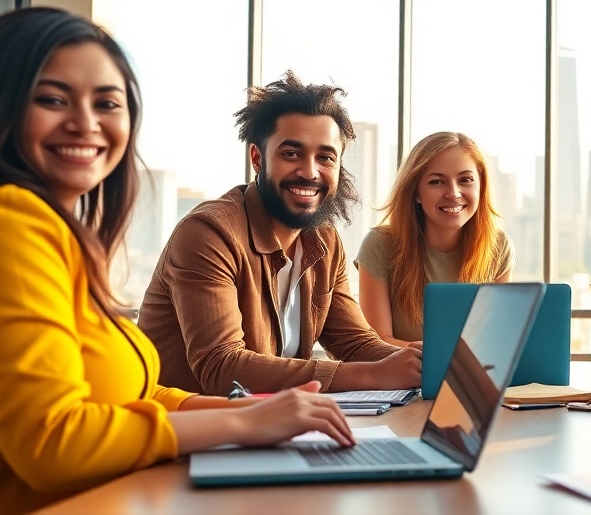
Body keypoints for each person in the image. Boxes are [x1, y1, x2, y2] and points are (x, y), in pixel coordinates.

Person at [0, 9, 355, 515]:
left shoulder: (51, 235)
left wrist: (263, 415)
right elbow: (52, 441)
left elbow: (135, 395)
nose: (86, 122)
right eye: (53, 99)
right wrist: (241, 420)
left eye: (107, 103)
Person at [139, 73, 420, 395]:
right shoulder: (208, 232)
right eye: (291, 154)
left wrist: (428, 365)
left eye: (325, 158)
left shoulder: (324, 240)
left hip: (270, 426)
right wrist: (372, 376)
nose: (310, 172)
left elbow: (355, 343)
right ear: (258, 158)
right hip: (187, 431)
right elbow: (220, 367)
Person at [356, 132, 513, 347]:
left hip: (472, 379)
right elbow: (376, 344)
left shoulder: (499, 247)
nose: (454, 193)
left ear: (481, 187)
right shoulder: (380, 245)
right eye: (437, 182)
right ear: (416, 193)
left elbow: (495, 344)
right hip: (402, 380)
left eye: (465, 180)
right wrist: (439, 355)